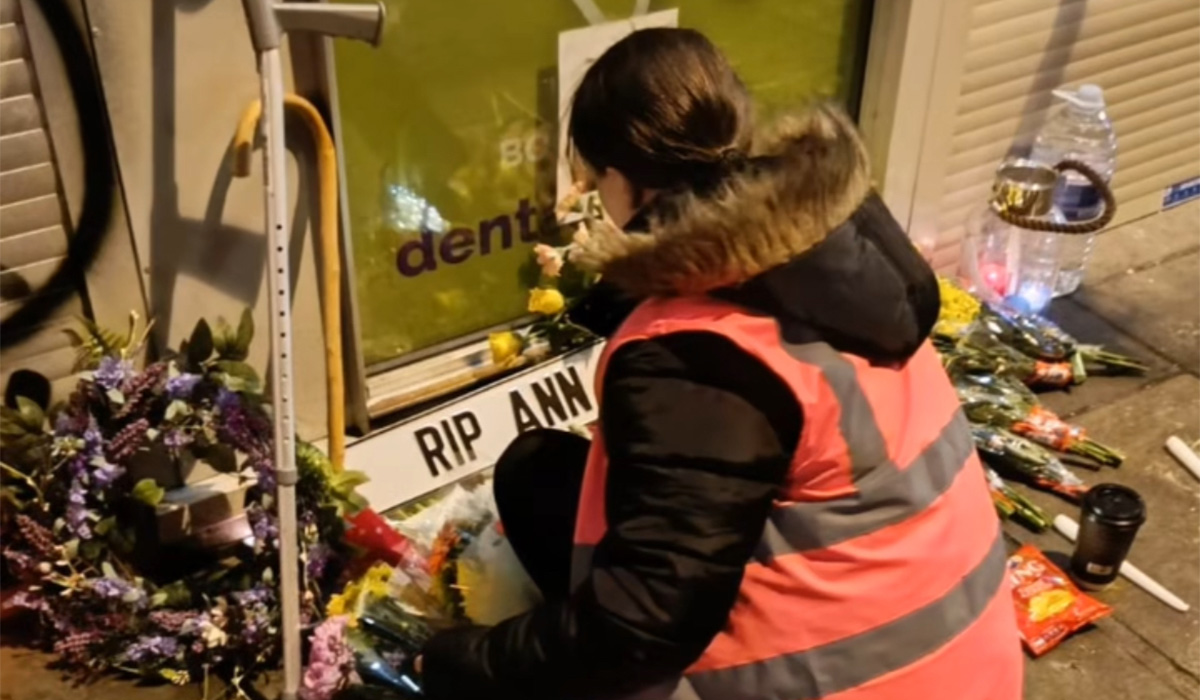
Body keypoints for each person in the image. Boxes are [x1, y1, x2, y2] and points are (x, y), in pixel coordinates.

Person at [418, 28, 1024, 700]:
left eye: (595, 180)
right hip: (968, 664)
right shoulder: (833, 256)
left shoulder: (696, 351)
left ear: (620, 181)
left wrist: (467, 661)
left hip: (852, 682)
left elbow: (639, 626)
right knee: (542, 475)